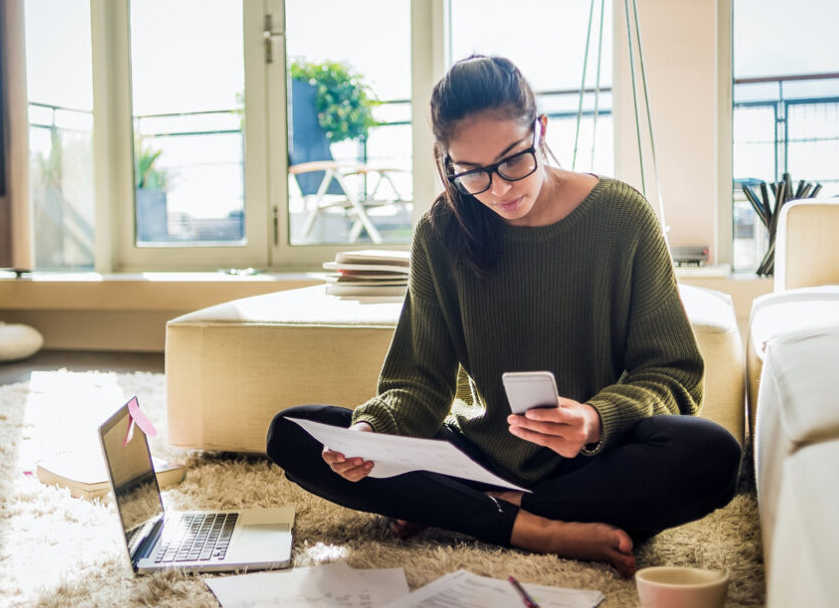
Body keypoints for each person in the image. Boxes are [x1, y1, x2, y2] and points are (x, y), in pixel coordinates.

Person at [266, 55, 741, 578]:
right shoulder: (440, 232)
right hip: (473, 456)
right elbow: (419, 383)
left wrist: (596, 420)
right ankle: (534, 527)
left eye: (514, 160)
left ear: (539, 130)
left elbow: (673, 373)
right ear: (448, 161)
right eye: (470, 173)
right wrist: (373, 430)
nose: (500, 189)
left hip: (588, 465)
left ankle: (472, 511)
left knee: (711, 454)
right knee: (293, 432)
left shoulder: (624, 218)